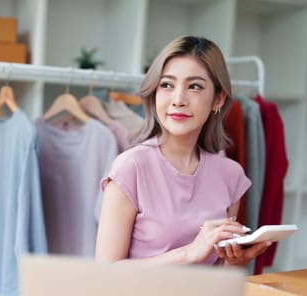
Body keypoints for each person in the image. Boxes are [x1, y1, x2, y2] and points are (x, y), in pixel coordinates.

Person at [95, 35, 271, 267]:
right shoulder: (131, 167)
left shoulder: (231, 175)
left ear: (218, 99)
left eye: (194, 86)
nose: (178, 99)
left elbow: (223, 275)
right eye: (167, 84)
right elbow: (105, 274)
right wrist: (189, 253)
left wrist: (238, 260)